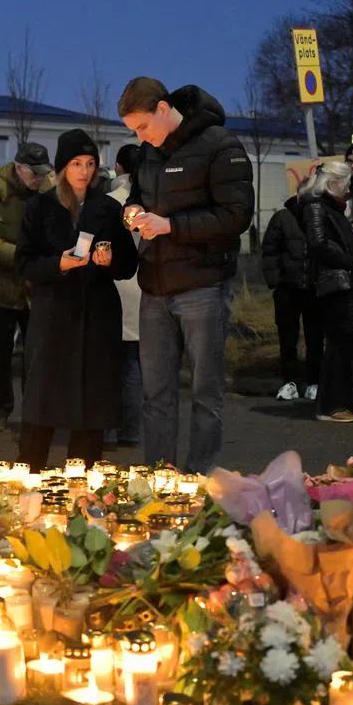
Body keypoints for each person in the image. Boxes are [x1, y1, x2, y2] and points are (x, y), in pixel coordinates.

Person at [117, 77, 254, 472]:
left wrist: (170, 226)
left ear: (163, 109)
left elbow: (236, 215)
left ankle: (200, 480)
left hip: (203, 287)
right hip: (155, 286)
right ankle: (158, 478)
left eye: (142, 127)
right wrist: (132, 212)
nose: (140, 137)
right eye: (134, 132)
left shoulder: (220, 146)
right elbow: (137, 195)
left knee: (204, 391)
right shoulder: (150, 152)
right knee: (155, 392)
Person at [15, 129, 138, 470]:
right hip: (54, 317)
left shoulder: (109, 208)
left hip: (97, 319)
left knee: (90, 409)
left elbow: (129, 264)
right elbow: (24, 263)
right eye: (76, 163)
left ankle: (82, 487)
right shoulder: (40, 207)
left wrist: (111, 261)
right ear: (61, 167)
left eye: (90, 163)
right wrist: (59, 263)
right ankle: (29, 477)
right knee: (43, 403)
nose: (84, 171)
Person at [0, 142, 52, 432]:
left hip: (35, 289)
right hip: (1, 286)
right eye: (35, 173)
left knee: (36, 353)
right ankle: (0, 410)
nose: (40, 179)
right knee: (0, 353)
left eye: (44, 173)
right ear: (19, 168)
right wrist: (18, 256)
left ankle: (34, 412)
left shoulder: (47, 191)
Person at [303, 161, 353, 423]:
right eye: (345, 184)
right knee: (339, 348)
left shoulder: (329, 207)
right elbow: (319, 243)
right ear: (333, 183)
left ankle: (342, 402)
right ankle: (331, 406)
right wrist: (351, 262)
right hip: (340, 287)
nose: (348, 189)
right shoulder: (318, 206)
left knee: (347, 347)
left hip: (349, 285)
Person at [262, 188, 322, 403]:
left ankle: (314, 382)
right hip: (288, 289)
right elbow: (270, 250)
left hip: (314, 289)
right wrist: (276, 281)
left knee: (315, 339)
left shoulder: (320, 215)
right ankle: (290, 382)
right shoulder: (283, 218)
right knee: (288, 339)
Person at [108, 143, 144, 447]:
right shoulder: (152, 201)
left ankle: (106, 428)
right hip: (144, 289)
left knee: (109, 363)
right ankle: (132, 430)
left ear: (118, 168)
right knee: (134, 364)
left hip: (114, 289)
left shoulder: (108, 202)